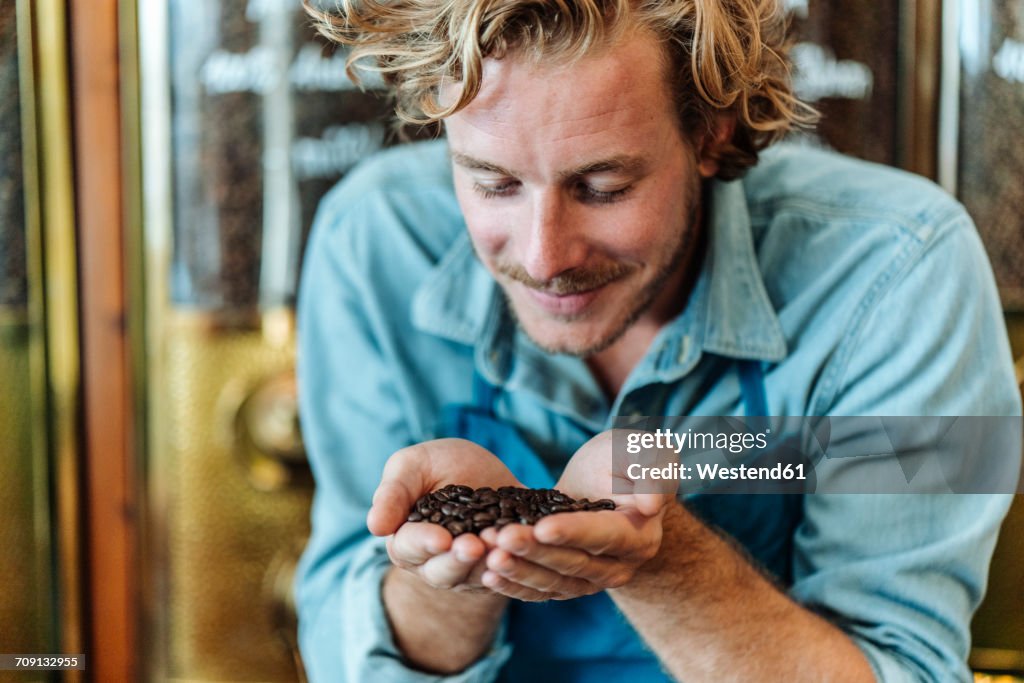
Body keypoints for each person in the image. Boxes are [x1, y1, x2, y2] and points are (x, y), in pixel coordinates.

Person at [293, 0, 1022, 681]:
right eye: (494, 183)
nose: (545, 256)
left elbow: (908, 666)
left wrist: (662, 556)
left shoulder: (900, 268)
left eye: (602, 187)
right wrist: (450, 572)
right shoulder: (373, 242)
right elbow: (336, 643)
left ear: (713, 133)